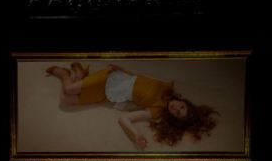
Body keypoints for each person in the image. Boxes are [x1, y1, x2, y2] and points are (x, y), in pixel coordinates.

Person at [46, 62, 219, 149]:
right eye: (182, 107)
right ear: (183, 101)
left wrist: (136, 135)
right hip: (111, 78)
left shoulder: (157, 111)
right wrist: (123, 70)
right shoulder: (167, 87)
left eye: (178, 113)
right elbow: (140, 78)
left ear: (174, 118)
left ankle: (80, 75)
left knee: (65, 100)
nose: (176, 108)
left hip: (108, 94)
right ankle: (64, 74)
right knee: (69, 89)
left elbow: (124, 118)